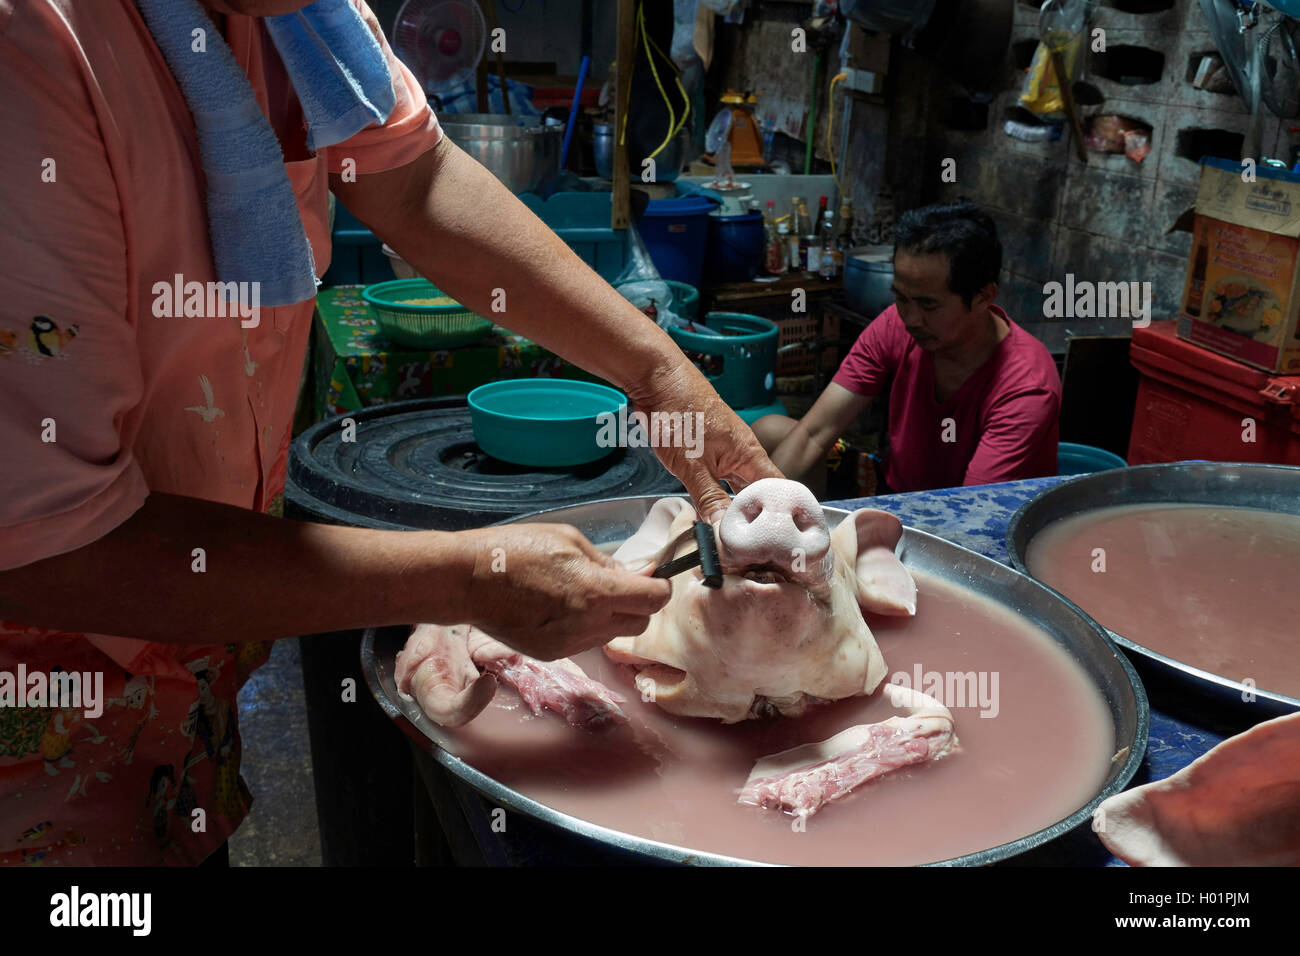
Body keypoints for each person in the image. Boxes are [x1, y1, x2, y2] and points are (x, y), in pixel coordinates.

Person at [0, 0, 779, 865]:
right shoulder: (31, 49)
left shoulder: (297, 17)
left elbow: (412, 180)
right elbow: (52, 547)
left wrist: (657, 371)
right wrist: (467, 579)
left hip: (183, 686)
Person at [754, 201, 1060, 496]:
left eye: (928, 304)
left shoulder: (1026, 387)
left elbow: (970, 512)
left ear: (982, 297)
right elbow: (813, 434)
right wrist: (751, 519)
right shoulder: (895, 325)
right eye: (901, 298)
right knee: (769, 430)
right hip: (890, 488)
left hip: (968, 519)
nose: (910, 319)